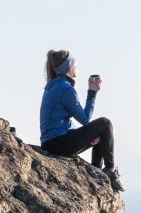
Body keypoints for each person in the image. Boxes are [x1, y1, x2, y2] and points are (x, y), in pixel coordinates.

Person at [38, 49, 122, 192]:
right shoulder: (65, 89)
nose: (77, 67)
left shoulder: (54, 85)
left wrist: (87, 137)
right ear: (69, 67)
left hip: (51, 142)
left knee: (98, 134)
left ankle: (97, 172)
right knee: (105, 123)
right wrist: (92, 92)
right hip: (58, 143)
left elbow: (60, 121)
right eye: (75, 64)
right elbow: (85, 119)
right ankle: (110, 171)